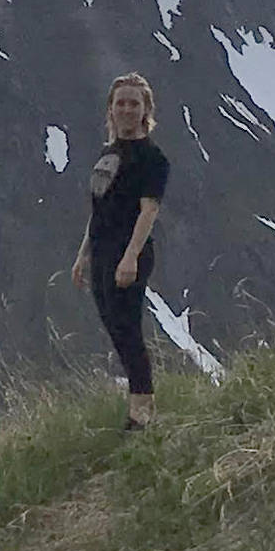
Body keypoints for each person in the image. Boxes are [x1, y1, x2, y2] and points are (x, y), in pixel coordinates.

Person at [71, 72, 170, 429]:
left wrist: (130, 257)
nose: (127, 109)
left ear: (145, 110)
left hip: (128, 253)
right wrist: (83, 253)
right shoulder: (108, 153)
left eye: (134, 103)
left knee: (127, 328)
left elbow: (149, 210)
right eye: (120, 103)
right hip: (101, 250)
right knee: (113, 325)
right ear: (110, 110)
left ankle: (142, 412)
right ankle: (137, 405)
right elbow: (99, 207)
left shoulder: (152, 158)